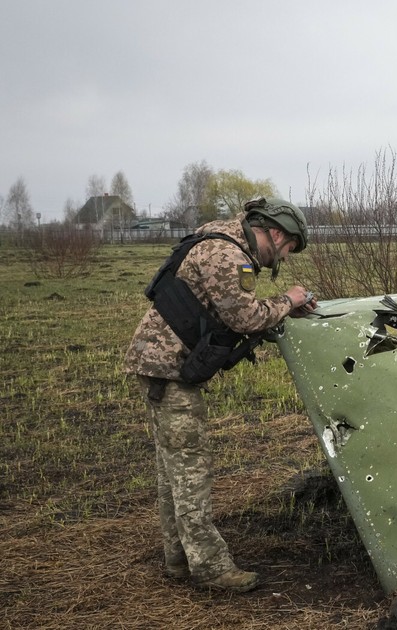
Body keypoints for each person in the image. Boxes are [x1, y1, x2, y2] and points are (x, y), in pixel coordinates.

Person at [123, 197, 318, 592]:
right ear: (276, 233)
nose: (279, 259)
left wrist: (280, 308)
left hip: (159, 364)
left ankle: (179, 560)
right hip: (169, 368)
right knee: (190, 469)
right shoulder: (231, 255)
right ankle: (210, 569)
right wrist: (289, 300)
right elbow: (245, 317)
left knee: (173, 470)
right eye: (285, 249)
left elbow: (232, 306)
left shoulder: (219, 239)